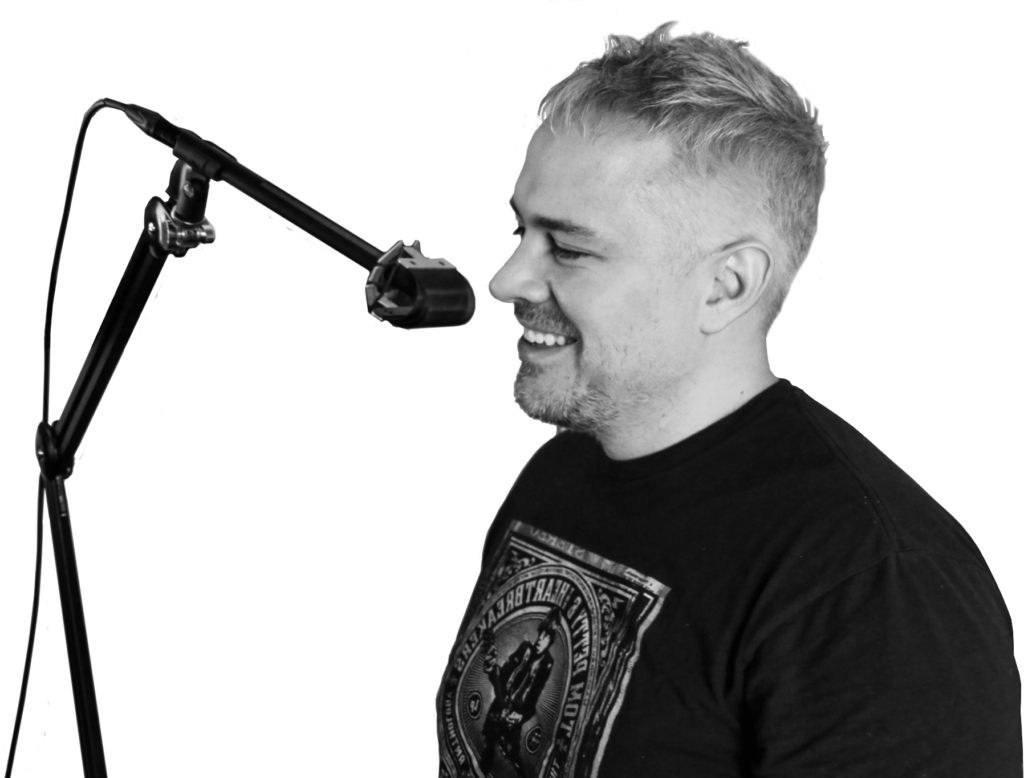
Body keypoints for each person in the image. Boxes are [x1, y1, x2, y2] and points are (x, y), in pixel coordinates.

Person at [435, 18, 1020, 777]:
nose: (505, 279)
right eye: (520, 231)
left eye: (570, 248)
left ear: (727, 285)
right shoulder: (559, 474)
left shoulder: (876, 587)